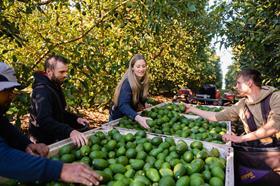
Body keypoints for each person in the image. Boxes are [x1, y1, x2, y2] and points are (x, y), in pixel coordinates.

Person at [0, 62, 102, 185]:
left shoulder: (54, 87)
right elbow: (3, 157)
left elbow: (3, 125)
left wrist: (26, 144)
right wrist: (61, 170)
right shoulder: (42, 90)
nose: (11, 96)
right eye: (7, 90)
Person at [184, 69, 280, 145]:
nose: (236, 86)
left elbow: (274, 126)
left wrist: (240, 138)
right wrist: (192, 109)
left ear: (249, 83)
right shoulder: (242, 105)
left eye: (238, 83)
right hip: (257, 152)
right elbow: (217, 116)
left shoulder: (275, 97)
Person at [29, 55, 89, 146]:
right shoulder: (42, 92)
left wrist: (76, 119)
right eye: (61, 72)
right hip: (44, 143)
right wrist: (70, 131)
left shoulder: (54, 85)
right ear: (49, 71)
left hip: (54, 138)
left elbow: (58, 112)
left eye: (66, 71)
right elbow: (44, 120)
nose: (65, 75)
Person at [110, 54, 151, 129]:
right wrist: (138, 117)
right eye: (138, 66)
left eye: (143, 66)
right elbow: (123, 105)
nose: (141, 69)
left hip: (129, 118)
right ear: (132, 68)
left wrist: (144, 103)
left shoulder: (142, 80)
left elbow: (139, 96)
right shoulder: (127, 83)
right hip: (118, 120)